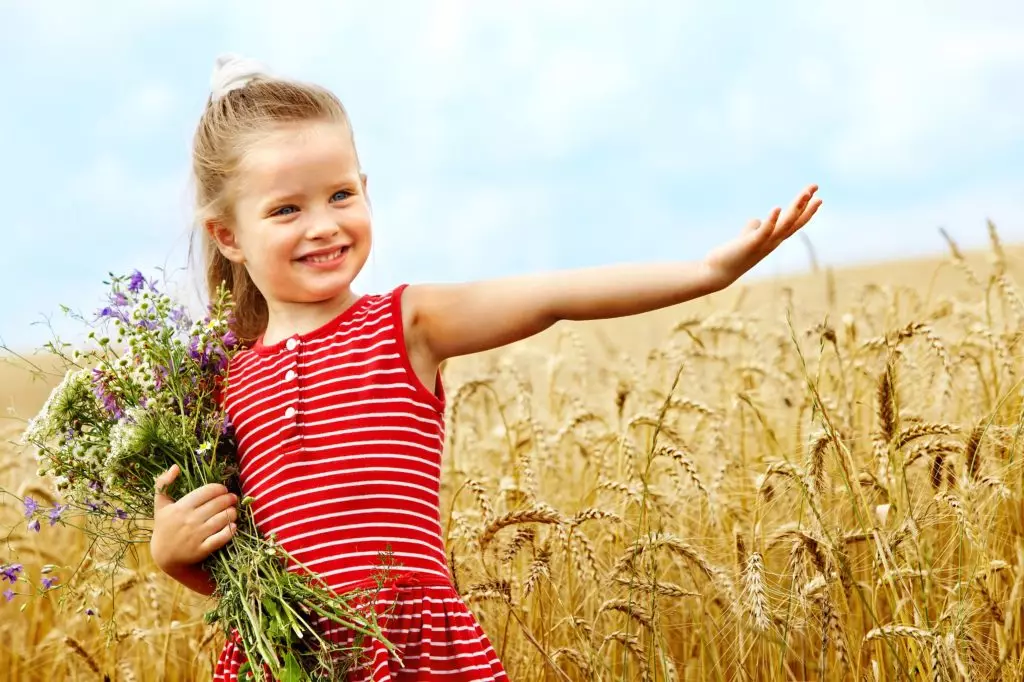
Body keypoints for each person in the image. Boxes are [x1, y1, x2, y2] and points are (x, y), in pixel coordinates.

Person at [148, 54, 822, 682]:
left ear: (366, 190)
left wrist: (708, 272)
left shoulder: (405, 323)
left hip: (412, 649)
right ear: (228, 235)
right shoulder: (219, 382)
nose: (323, 224)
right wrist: (174, 556)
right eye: (287, 209)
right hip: (288, 654)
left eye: (341, 196)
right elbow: (242, 572)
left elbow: (554, 297)